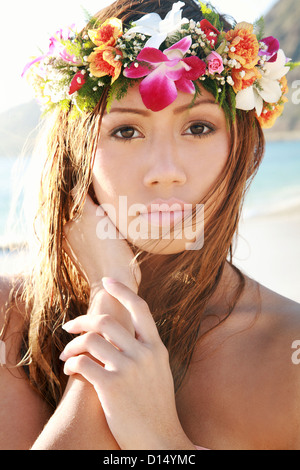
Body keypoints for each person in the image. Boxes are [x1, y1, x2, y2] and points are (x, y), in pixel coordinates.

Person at [0, 0, 299, 450]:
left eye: (198, 128)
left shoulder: (288, 349)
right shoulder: (9, 320)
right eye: (126, 131)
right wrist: (113, 296)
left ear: (242, 150)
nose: (165, 171)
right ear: (77, 154)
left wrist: (159, 437)